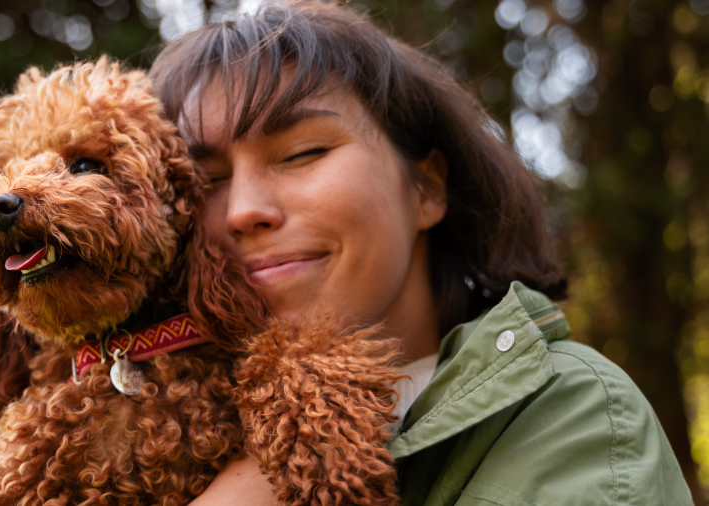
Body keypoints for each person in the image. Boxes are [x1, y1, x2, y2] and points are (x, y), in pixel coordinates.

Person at [147, 1, 694, 505]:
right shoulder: (143, 431)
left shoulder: (568, 413)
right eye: (207, 179)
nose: (243, 210)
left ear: (427, 187)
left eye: (302, 153)